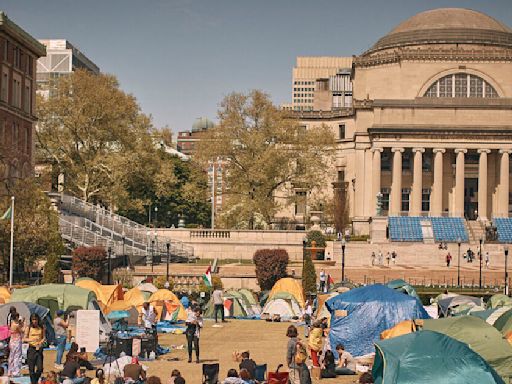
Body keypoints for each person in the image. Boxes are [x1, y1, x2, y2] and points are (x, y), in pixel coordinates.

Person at [24, 313, 46, 384]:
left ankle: (35, 381)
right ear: (31, 320)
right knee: (31, 369)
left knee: (40, 369)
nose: (34, 321)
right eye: (33, 320)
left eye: (35, 319)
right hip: (31, 349)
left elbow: (44, 338)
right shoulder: (29, 327)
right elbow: (24, 339)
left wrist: (41, 342)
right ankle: (33, 382)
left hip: (39, 349)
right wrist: (32, 340)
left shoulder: (41, 327)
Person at [8, 312, 23, 377]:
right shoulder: (16, 325)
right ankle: (16, 372)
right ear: (16, 317)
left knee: (11, 356)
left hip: (12, 341)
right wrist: (22, 324)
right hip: (17, 341)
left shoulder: (11, 323)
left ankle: (10, 371)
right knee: (17, 356)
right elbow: (21, 330)